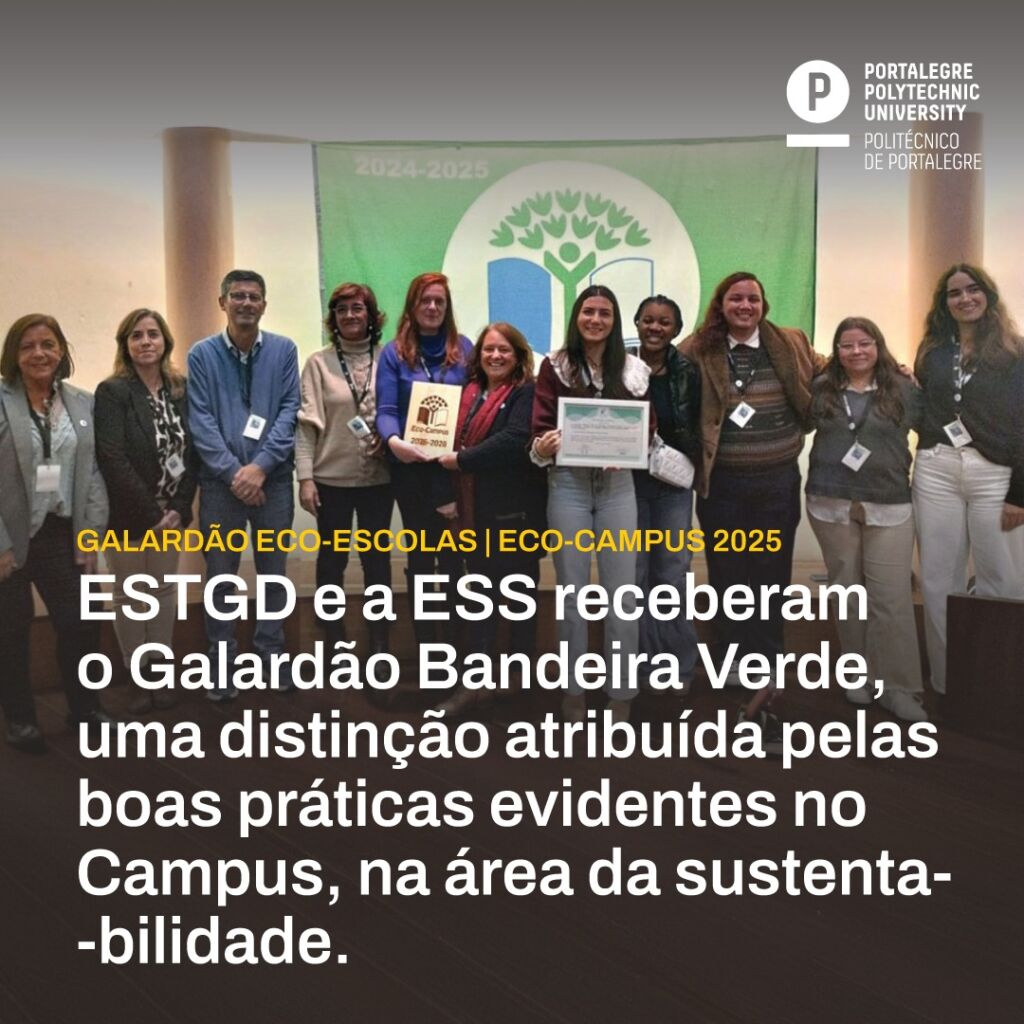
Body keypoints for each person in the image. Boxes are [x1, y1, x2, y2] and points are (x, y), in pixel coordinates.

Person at [680, 271, 826, 748]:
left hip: (776, 481)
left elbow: (832, 368)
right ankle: (731, 659)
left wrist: (892, 368)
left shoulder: (791, 341)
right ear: (720, 304)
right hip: (721, 484)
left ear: (764, 304)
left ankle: (767, 661)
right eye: (736, 299)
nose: (745, 306)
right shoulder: (698, 348)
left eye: (753, 299)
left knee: (770, 573)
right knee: (728, 572)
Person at [531, 285, 650, 724]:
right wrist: (544, 444)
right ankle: (574, 690)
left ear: (615, 321)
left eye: (604, 313)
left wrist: (632, 448)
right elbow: (540, 425)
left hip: (618, 488)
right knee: (572, 594)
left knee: (623, 596)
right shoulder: (555, 365)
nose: (595, 320)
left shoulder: (634, 369)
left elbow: (648, 425)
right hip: (569, 485)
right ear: (576, 317)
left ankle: (622, 693)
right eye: (588, 311)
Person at [0, 314, 113, 752]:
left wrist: (90, 535)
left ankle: (86, 709)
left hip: (63, 533)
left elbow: (93, 473)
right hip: (10, 537)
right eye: (28, 346)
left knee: (81, 623)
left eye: (48, 344)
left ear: (62, 350)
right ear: (14, 354)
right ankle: (21, 720)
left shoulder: (81, 403)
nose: (39, 353)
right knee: (11, 631)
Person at [806, 317, 926, 722]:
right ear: (836, 350)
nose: (856, 351)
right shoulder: (821, 387)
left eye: (864, 343)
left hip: (888, 502)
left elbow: (930, 429)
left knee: (890, 597)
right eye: (847, 345)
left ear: (878, 345)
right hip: (830, 500)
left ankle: (898, 687)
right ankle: (856, 673)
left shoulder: (903, 387)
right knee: (846, 591)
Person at [187, 270, 300, 698]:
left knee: (274, 574)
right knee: (220, 576)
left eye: (254, 297)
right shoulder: (201, 355)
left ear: (264, 305)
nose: (246, 303)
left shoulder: (284, 350)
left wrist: (261, 468)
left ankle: (271, 654)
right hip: (221, 487)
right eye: (237, 296)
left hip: (274, 482)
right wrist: (235, 473)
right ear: (223, 303)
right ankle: (221, 663)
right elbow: (200, 420)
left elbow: (289, 410)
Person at [912, 264, 1024, 694]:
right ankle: (948, 683)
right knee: (939, 581)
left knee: (1004, 580)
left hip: (996, 475)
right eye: (954, 293)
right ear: (944, 304)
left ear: (988, 296)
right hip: (936, 468)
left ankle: (998, 685)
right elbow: (926, 405)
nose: (964, 299)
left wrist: (1020, 493)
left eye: (973, 290)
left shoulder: (1014, 353)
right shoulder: (933, 350)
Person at [436, 322, 547, 715]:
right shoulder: (468, 394)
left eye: (504, 350)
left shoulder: (527, 391)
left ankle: (519, 682)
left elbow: (515, 440)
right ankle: (476, 684)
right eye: (488, 349)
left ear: (518, 356)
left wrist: (461, 460)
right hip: (476, 515)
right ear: (478, 354)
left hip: (516, 515)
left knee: (519, 601)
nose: (495, 356)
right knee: (480, 602)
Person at [95, 309, 197, 714]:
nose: (146, 342)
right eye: (136, 336)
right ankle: (138, 676)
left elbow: (193, 454)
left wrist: (178, 508)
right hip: (127, 514)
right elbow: (112, 457)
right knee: (131, 594)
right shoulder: (113, 392)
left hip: (170, 513)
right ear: (125, 345)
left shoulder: (180, 388)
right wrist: (152, 515)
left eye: (153, 334)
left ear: (165, 341)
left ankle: (160, 671)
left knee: (163, 590)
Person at [375, 272, 473, 653]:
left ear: (447, 308)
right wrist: (394, 442)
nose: (432, 307)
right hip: (411, 471)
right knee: (419, 561)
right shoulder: (394, 353)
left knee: (453, 562)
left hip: (452, 470)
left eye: (439, 301)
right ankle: (427, 650)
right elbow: (386, 410)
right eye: (425, 301)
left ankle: (455, 653)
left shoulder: (464, 349)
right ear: (412, 306)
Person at [297, 282, 393, 654]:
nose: (350, 315)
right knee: (332, 563)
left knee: (377, 563)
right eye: (341, 310)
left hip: (379, 481)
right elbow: (306, 427)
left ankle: (379, 645)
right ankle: (335, 643)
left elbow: (400, 413)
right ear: (333, 318)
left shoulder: (389, 359)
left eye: (357, 308)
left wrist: (392, 438)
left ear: (371, 315)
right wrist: (305, 478)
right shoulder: (318, 364)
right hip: (330, 482)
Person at [631, 295, 701, 693]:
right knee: (634, 575)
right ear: (636, 323)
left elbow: (699, 424)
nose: (655, 328)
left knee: (672, 574)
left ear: (676, 329)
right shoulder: (620, 366)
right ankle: (639, 665)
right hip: (627, 486)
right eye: (648, 320)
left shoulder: (688, 371)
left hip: (673, 486)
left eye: (664, 322)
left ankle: (676, 666)